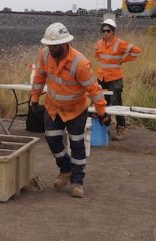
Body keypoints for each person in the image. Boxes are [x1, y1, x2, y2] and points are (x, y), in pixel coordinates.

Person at [29, 22, 110, 198]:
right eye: (49, 45)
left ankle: (77, 182)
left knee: (77, 144)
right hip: (53, 108)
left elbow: (94, 89)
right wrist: (34, 98)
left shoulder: (80, 63)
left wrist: (102, 112)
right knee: (52, 140)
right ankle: (66, 170)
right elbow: (40, 76)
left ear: (65, 43)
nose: (51, 49)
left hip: (76, 110)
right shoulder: (44, 55)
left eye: (55, 46)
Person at [94, 18, 141, 140]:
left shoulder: (119, 43)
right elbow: (98, 56)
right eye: (103, 31)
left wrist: (123, 60)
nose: (105, 33)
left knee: (117, 104)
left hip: (115, 79)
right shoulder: (99, 43)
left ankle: (121, 127)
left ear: (113, 31)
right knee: (102, 104)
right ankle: (104, 128)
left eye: (108, 31)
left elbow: (136, 51)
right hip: (101, 78)